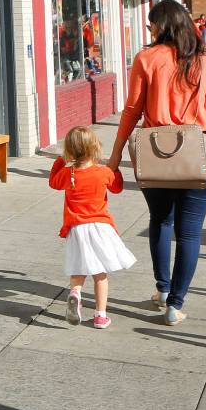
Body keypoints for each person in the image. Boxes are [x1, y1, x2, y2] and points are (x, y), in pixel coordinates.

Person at [110, 0, 206, 326]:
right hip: (197, 156)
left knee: (160, 221)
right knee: (190, 234)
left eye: (151, 25)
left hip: (156, 155)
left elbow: (132, 110)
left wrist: (115, 156)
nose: (149, 30)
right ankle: (175, 304)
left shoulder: (146, 58)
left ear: (162, 26)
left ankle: (162, 289)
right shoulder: (204, 62)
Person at [50, 126, 135, 329]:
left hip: (77, 229)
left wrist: (61, 160)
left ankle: (75, 293)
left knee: (78, 270)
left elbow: (53, 182)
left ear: (69, 150)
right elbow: (117, 187)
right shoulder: (103, 172)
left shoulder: (67, 174)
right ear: (95, 147)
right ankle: (100, 316)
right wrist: (115, 169)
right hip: (100, 228)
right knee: (100, 274)